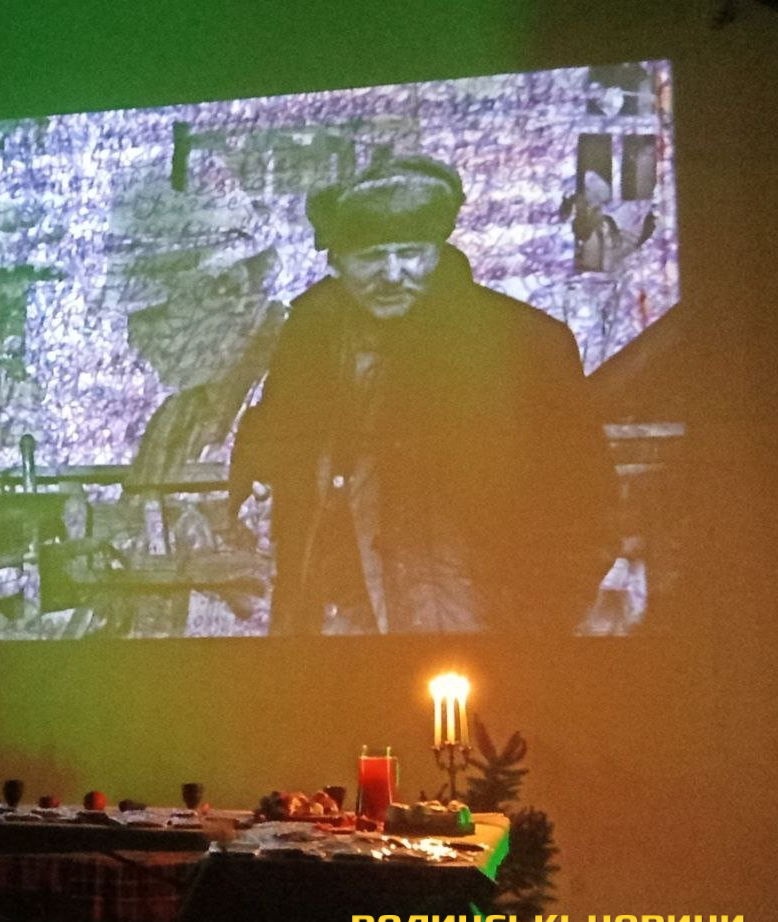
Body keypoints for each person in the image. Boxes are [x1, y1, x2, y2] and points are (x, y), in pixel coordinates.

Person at [230, 154, 615, 636]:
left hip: (475, 629)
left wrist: (533, 627)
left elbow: (586, 508)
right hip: (333, 629)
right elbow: (274, 459)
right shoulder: (309, 342)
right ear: (336, 263)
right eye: (371, 257)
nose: (392, 274)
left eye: (411, 252)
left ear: (438, 250)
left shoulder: (526, 344)